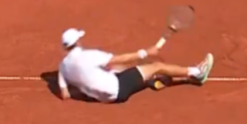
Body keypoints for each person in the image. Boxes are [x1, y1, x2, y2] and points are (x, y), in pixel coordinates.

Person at [56, 28, 214, 104]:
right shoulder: (89, 56)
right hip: (118, 89)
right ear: (77, 41)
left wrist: (86, 86)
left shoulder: (63, 67)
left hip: (103, 97)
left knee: (119, 70)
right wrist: (146, 52)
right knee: (155, 66)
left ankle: (148, 81)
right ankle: (196, 73)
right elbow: (120, 59)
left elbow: (65, 95)